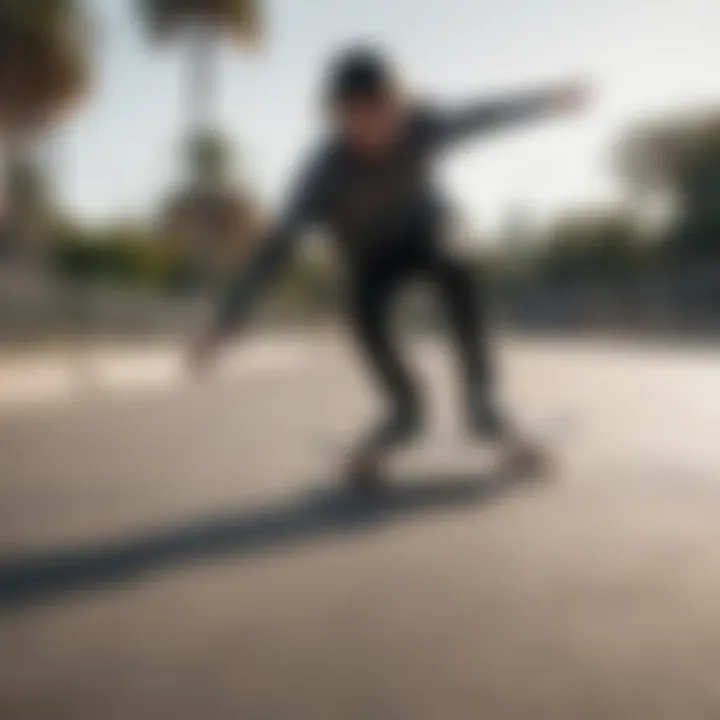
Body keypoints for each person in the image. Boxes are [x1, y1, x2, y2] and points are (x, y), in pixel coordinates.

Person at [189, 46, 590, 484]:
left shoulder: (424, 125)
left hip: (428, 232)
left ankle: (481, 399)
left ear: (400, 104)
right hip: (371, 257)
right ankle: (403, 409)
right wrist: (226, 323)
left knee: (458, 260)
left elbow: (483, 116)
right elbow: (274, 250)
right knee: (363, 315)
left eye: (382, 111)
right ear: (335, 116)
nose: (373, 127)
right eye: (355, 115)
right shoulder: (322, 172)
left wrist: (546, 101)